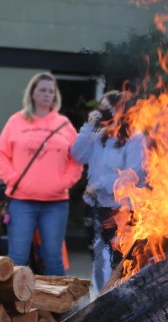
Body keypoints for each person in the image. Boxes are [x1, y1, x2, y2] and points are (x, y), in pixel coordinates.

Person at [0, 73, 82, 275]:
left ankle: (59, 306)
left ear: (55, 96)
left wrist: (64, 182)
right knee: (17, 259)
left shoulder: (63, 124)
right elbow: (2, 154)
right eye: (42, 90)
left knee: (53, 258)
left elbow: (77, 158)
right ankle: (11, 305)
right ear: (32, 93)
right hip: (21, 202)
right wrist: (12, 179)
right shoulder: (16, 122)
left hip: (55, 204)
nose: (47, 94)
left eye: (50, 91)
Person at [70, 90, 147, 291]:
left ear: (122, 109)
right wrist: (88, 127)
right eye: (102, 108)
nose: (104, 112)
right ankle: (98, 303)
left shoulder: (135, 138)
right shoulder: (98, 136)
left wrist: (102, 184)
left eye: (108, 108)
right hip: (96, 207)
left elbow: (134, 173)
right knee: (99, 260)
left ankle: (121, 304)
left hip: (120, 209)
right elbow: (77, 154)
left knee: (121, 261)